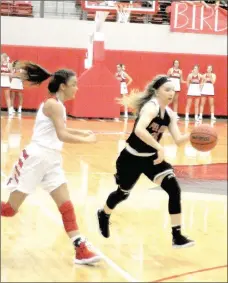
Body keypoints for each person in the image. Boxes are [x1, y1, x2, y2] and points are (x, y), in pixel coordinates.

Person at [1, 61, 102, 265]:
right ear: (63, 86)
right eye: (74, 84)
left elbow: (60, 130)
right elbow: (62, 134)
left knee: (66, 205)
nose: (77, 88)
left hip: (52, 160)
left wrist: (82, 131)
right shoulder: (53, 105)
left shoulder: (58, 105)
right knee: (10, 210)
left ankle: (80, 248)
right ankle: (80, 247)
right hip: (36, 159)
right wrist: (86, 140)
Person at [97, 75, 195, 248]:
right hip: (130, 158)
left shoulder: (170, 115)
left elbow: (179, 140)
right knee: (122, 194)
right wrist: (159, 147)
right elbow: (140, 130)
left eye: (173, 90)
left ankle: (177, 236)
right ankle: (103, 213)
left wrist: (195, 135)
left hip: (151, 160)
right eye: (167, 89)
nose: (171, 93)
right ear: (156, 91)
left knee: (174, 189)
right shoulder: (151, 107)